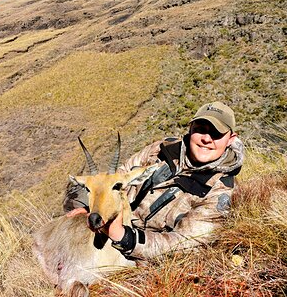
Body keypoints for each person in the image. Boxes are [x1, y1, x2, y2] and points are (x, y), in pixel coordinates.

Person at [67, 101, 244, 260]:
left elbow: (183, 244)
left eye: (216, 134)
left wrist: (124, 237)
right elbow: (121, 175)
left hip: (143, 253)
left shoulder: (221, 191)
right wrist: (95, 205)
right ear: (190, 128)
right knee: (73, 197)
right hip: (117, 221)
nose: (206, 139)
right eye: (200, 129)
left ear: (231, 139)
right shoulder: (162, 149)